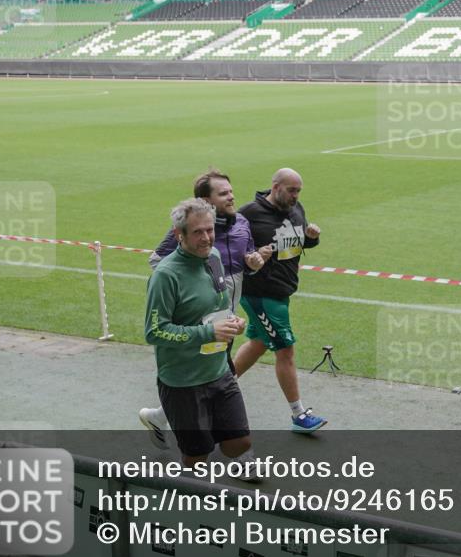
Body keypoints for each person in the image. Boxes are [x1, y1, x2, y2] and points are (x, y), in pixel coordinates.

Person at [138, 170, 270, 450]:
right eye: (198, 232)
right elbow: (154, 330)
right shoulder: (168, 270)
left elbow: (225, 286)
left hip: (219, 347)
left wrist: (232, 317)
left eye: (210, 231)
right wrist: (204, 325)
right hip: (187, 363)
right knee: (198, 453)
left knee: (235, 433)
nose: (207, 238)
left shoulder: (223, 246)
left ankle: (169, 422)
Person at [230, 168, 326, 433]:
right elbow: (231, 247)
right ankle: (299, 414)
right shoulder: (248, 213)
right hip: (260, 293)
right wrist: (253, 256)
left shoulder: (297, 210)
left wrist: (311, 239)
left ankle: (217, 388)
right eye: (291, 190)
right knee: (285, 350)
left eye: (299, 191)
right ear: (275, 187)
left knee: (259, 343)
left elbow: (295, 246)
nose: (295, 196)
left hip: (282, 291)